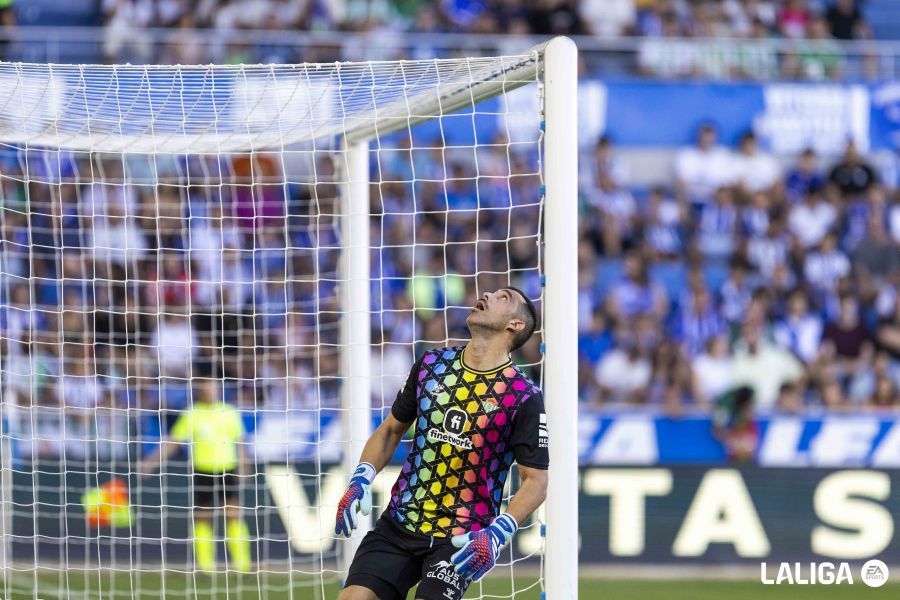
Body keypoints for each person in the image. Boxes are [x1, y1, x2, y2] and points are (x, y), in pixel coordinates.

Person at [335, 288, 548, 600]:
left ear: (514, 325)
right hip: (400, 522)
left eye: (504, 297)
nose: (487, 294)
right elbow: (391, 431)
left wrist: (498, 532)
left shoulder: (523, 395)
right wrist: (361, 478)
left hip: (460, 538)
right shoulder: (432, 364)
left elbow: (537, 480)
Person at [138, 378, 252, 573]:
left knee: (233, 514)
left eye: (214, 385)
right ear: (199, 390)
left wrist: (245, 466)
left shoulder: (229, 412)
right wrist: (150, 462)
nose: (211, 389)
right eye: (207, 386)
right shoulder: (192, 414)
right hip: (203, 471)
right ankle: (205, 566)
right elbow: (173, 442)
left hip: (227, 469)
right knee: (203, 517)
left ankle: (243, 565)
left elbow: (240, 442)